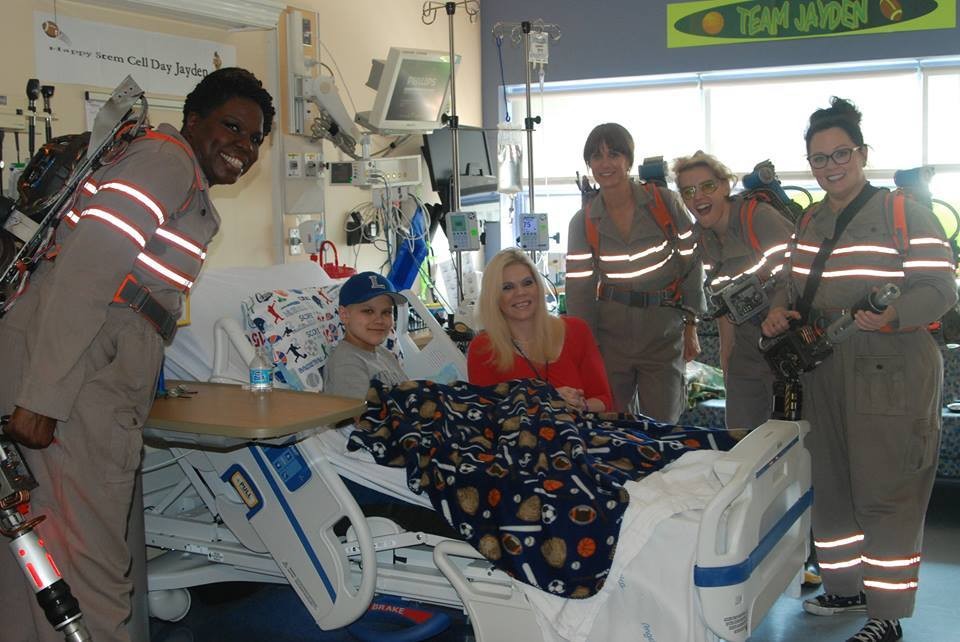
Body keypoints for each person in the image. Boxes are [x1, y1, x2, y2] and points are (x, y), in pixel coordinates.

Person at [0, 67, 274, 642]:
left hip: (86, 377)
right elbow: (85, 271)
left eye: (255, 139)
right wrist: (41, 397)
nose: (244, 148)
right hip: (71, 386)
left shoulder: (182, 182)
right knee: (90, 568)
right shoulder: (164, 162)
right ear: (193, 120)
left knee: (41, 562)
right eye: (233, 126)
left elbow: (131, 296)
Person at [761, 97, 956, 642]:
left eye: (840, 153)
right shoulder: (810, 218)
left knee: (886, 489)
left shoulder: (904, 213)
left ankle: (887, 614)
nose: (830, 166)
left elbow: (941, 289)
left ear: (862, 153)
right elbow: (792, 281)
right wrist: (780, 307)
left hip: (889, 368)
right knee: (833, 482)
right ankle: (845, 588)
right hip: (823, 364)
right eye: (819, 159)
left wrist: (892, 314)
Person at [565, 123, 703, 421]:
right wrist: (585, 350)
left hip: (663, 336)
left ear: (628, 160)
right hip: (611, 341)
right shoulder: (583, 221)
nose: (606, 164)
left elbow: (692, 265)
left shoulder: (664, 203)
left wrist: (691, 324)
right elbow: (579, 292)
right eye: (597, 156)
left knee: (663, 430)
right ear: (589, 164)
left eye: (613, 154)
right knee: (611, 428)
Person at [672, 151, 793, 433]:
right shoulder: (703, 238)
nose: (699, 197)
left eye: (708, 186)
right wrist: (728, 358)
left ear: (726, 185)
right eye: (689, 191)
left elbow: (798, 274)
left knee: (790, 440)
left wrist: (777, 309)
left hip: (789, 342)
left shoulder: (760, 219)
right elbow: (724, 302)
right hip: (748, 347)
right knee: (740, 435)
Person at [468, 247, 613, 412]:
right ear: (493, 297)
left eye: (527, 283)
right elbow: (485, 418)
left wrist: (581, 405)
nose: (520, 292)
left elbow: (605, 400)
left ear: (538, 286)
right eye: (507, 287)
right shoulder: (483, 349)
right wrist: (545, 402)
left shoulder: (577, 331)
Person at [324, 271, 407, 399]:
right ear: (344, 315)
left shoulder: (385, 354)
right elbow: (359, 416)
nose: (379, 320)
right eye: (368, 311)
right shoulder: (346, 364)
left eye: (386, 312)